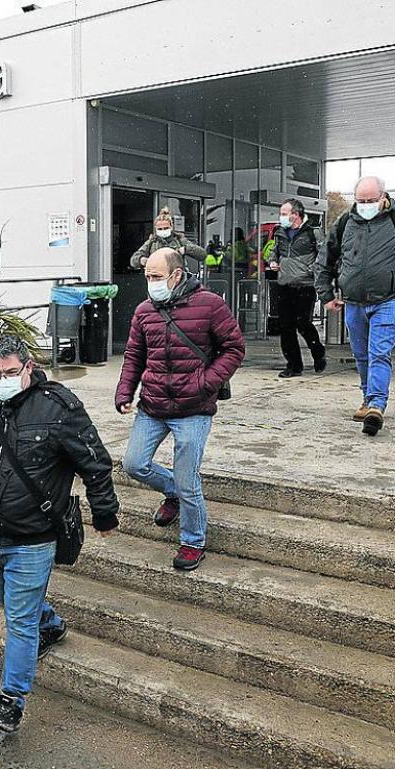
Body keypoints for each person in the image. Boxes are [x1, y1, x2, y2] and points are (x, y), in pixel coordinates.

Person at [0, 334, 119, 734]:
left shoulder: (59, 409)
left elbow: (95, 464)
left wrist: (104, 514)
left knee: (19, 620)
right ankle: (53, 623)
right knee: (9, 602)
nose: (3, 379)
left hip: (34, 538)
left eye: (11, 372)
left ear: (28, 368)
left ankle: (11, 698)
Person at [115, 249, 245, 571]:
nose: (150, 283)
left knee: (189, 479)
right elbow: (134, 355)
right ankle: (172, 492)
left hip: (194, 408)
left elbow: (234, 348)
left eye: (156, 277)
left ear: (176, 275)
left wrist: (206, 382)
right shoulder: (145, 311)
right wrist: (124, 391)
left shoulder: (210, 305)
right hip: (154, 404)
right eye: (147, 277)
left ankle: (192, 541)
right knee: (133, 464)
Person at [316, 176, 395, 436]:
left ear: (384, 198)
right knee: (361, 354)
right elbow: (325, 260)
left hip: (389, 299)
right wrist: (326, 294)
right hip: (354, 301)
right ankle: (367, 398)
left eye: (371, 201)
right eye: (361, 201)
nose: (365, 205)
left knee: (379, 352)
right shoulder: (345, 222)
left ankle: (377, 405)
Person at [269, 199, 328, 378]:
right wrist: (272, 261)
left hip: (305, 285)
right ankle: (293, 365)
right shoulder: (280, 232)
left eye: (284, 214)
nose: (281, 217)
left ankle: (318, 353)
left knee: (303, 322)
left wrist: (312, 270)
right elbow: (275, 250)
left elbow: (324, 255)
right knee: (286, 326)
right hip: (284, 284)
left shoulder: (313, 233)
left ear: (296, 215)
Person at [130, 208, 206, 274]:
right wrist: (142, 260)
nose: (163, 230)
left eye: (166, 228)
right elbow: (133, 260)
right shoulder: (152, 242)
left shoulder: (179, 239)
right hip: (159, 278)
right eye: (160, 229)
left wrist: (186, 249)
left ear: (171, 227)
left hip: (179, 280)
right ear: (155, 229)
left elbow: (202, 254)